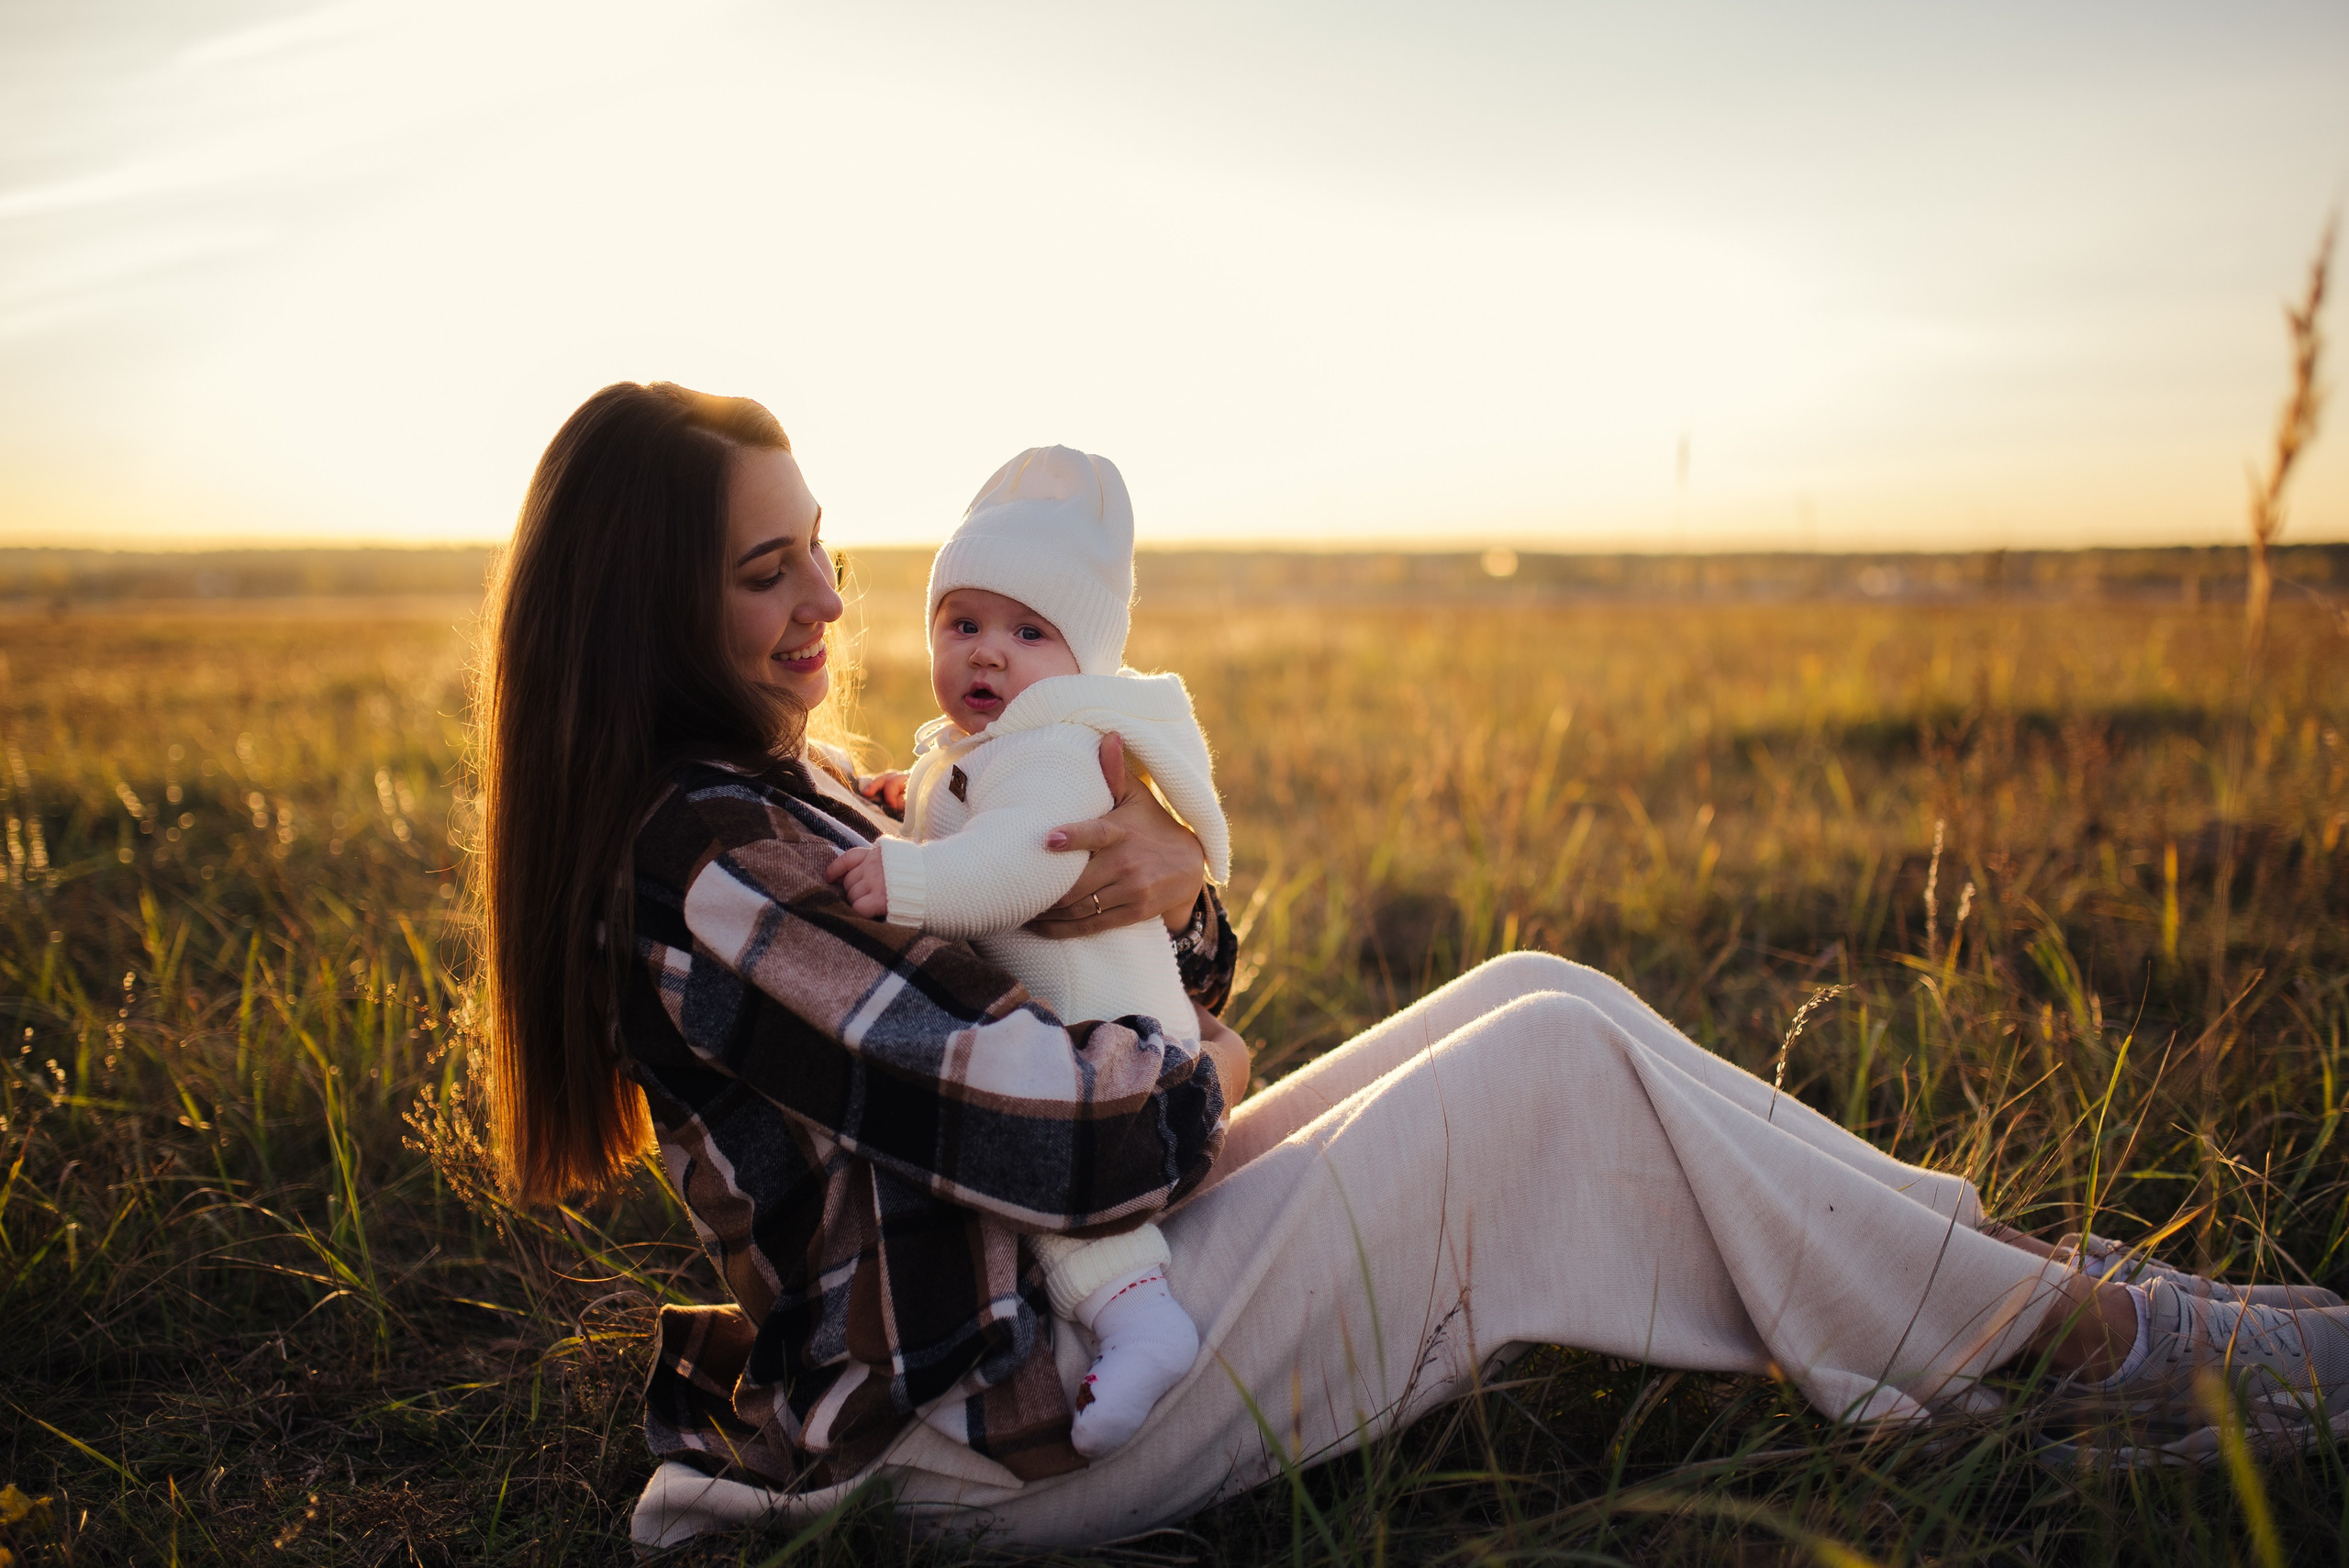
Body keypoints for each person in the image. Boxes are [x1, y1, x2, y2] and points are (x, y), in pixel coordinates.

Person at [471, 383, 2349, 1555]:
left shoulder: (787, 783)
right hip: (998, 1423)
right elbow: (1079, 1143)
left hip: (1069, 1302)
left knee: (1539, 990)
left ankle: (2032, 1286)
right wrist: (1193, 1052)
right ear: (651, 602)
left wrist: (1170, 882)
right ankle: (2092, 1355)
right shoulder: (707, 866)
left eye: (825, 557)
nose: (824, 611)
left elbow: (1084, 949)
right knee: (1534, 1089)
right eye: (764, 575)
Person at [827, 444, 1230, 1459]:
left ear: (1082, 658)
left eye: (1027, 630)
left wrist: (906, 876)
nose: (987, 654)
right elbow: (965, 804)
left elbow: (1022, 864)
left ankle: (1143, 1319)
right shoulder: (974, 748)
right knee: (1038, 1132)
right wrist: (905, 805)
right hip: (1093, 1032)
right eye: (961, 624)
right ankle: (1127, 1311)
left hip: (1122, 1045)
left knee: (1055, 1163)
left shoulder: (1057, 745)